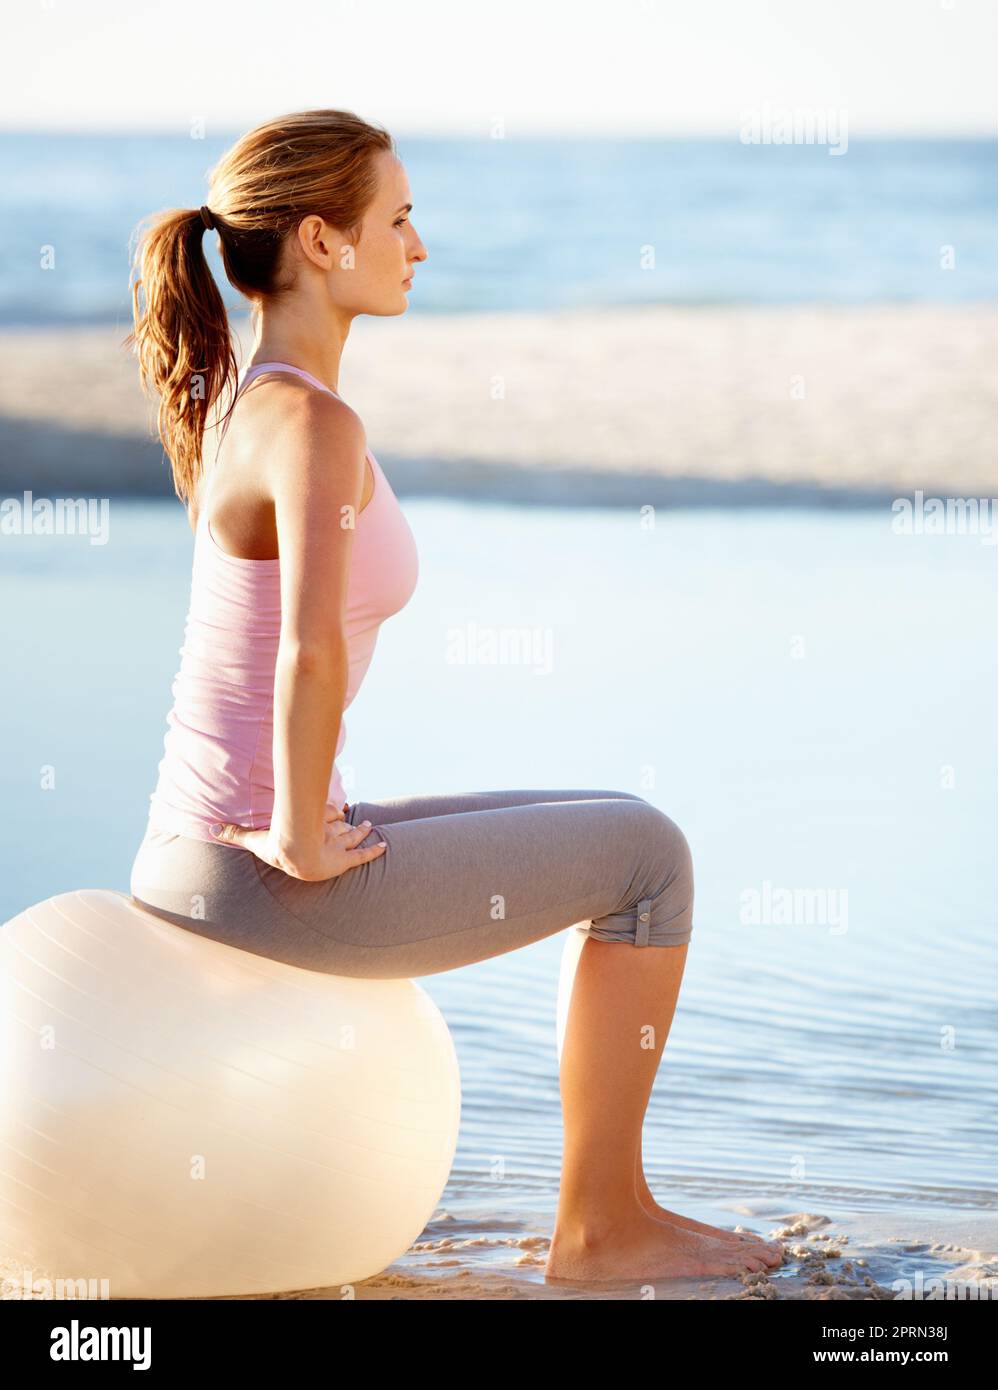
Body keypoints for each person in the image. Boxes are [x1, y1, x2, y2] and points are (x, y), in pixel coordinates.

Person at [123, 108, 782, 1284]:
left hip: (203, 847)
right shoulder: (310, 421)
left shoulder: (249, 401)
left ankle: (614, 1206)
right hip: (253, 865)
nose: (418, 246)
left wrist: (293, 818)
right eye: (400, 217)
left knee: (620, 821)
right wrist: (295, 836)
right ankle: (601, 1231)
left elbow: (283, 645)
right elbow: (308, 653)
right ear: (323, 240)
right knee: (649, 858)